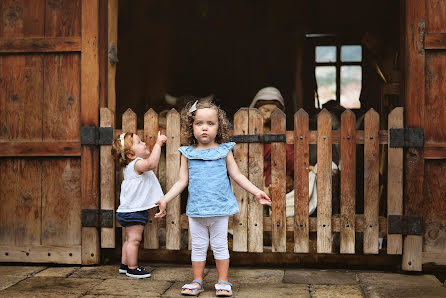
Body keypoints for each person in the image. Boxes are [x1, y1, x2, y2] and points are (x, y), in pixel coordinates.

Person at [155, 98, 271, 296]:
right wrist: (165, 199)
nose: (205, 128)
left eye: (210, 123)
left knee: (219, 245)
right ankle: (197, 281)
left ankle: (223, 281)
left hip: (219, 209)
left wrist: (256, 191)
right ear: (191, 127)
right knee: (198, 247)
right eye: (199, 123)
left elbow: (237, 175)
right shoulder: (187, 153)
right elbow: (182, 182)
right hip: (197, 210)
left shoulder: (224, 151)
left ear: (220, 127)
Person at [111, 131, 167, 278]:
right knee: (134, 240)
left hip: (128, 211)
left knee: (129, 239)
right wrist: (158, 144)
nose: (143, 143)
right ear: (130, 155)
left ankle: (124, 265)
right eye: (138, 142)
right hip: (133, 211)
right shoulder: (137, 164)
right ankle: (132, 268)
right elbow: (151, 163)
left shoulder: (128, 168)